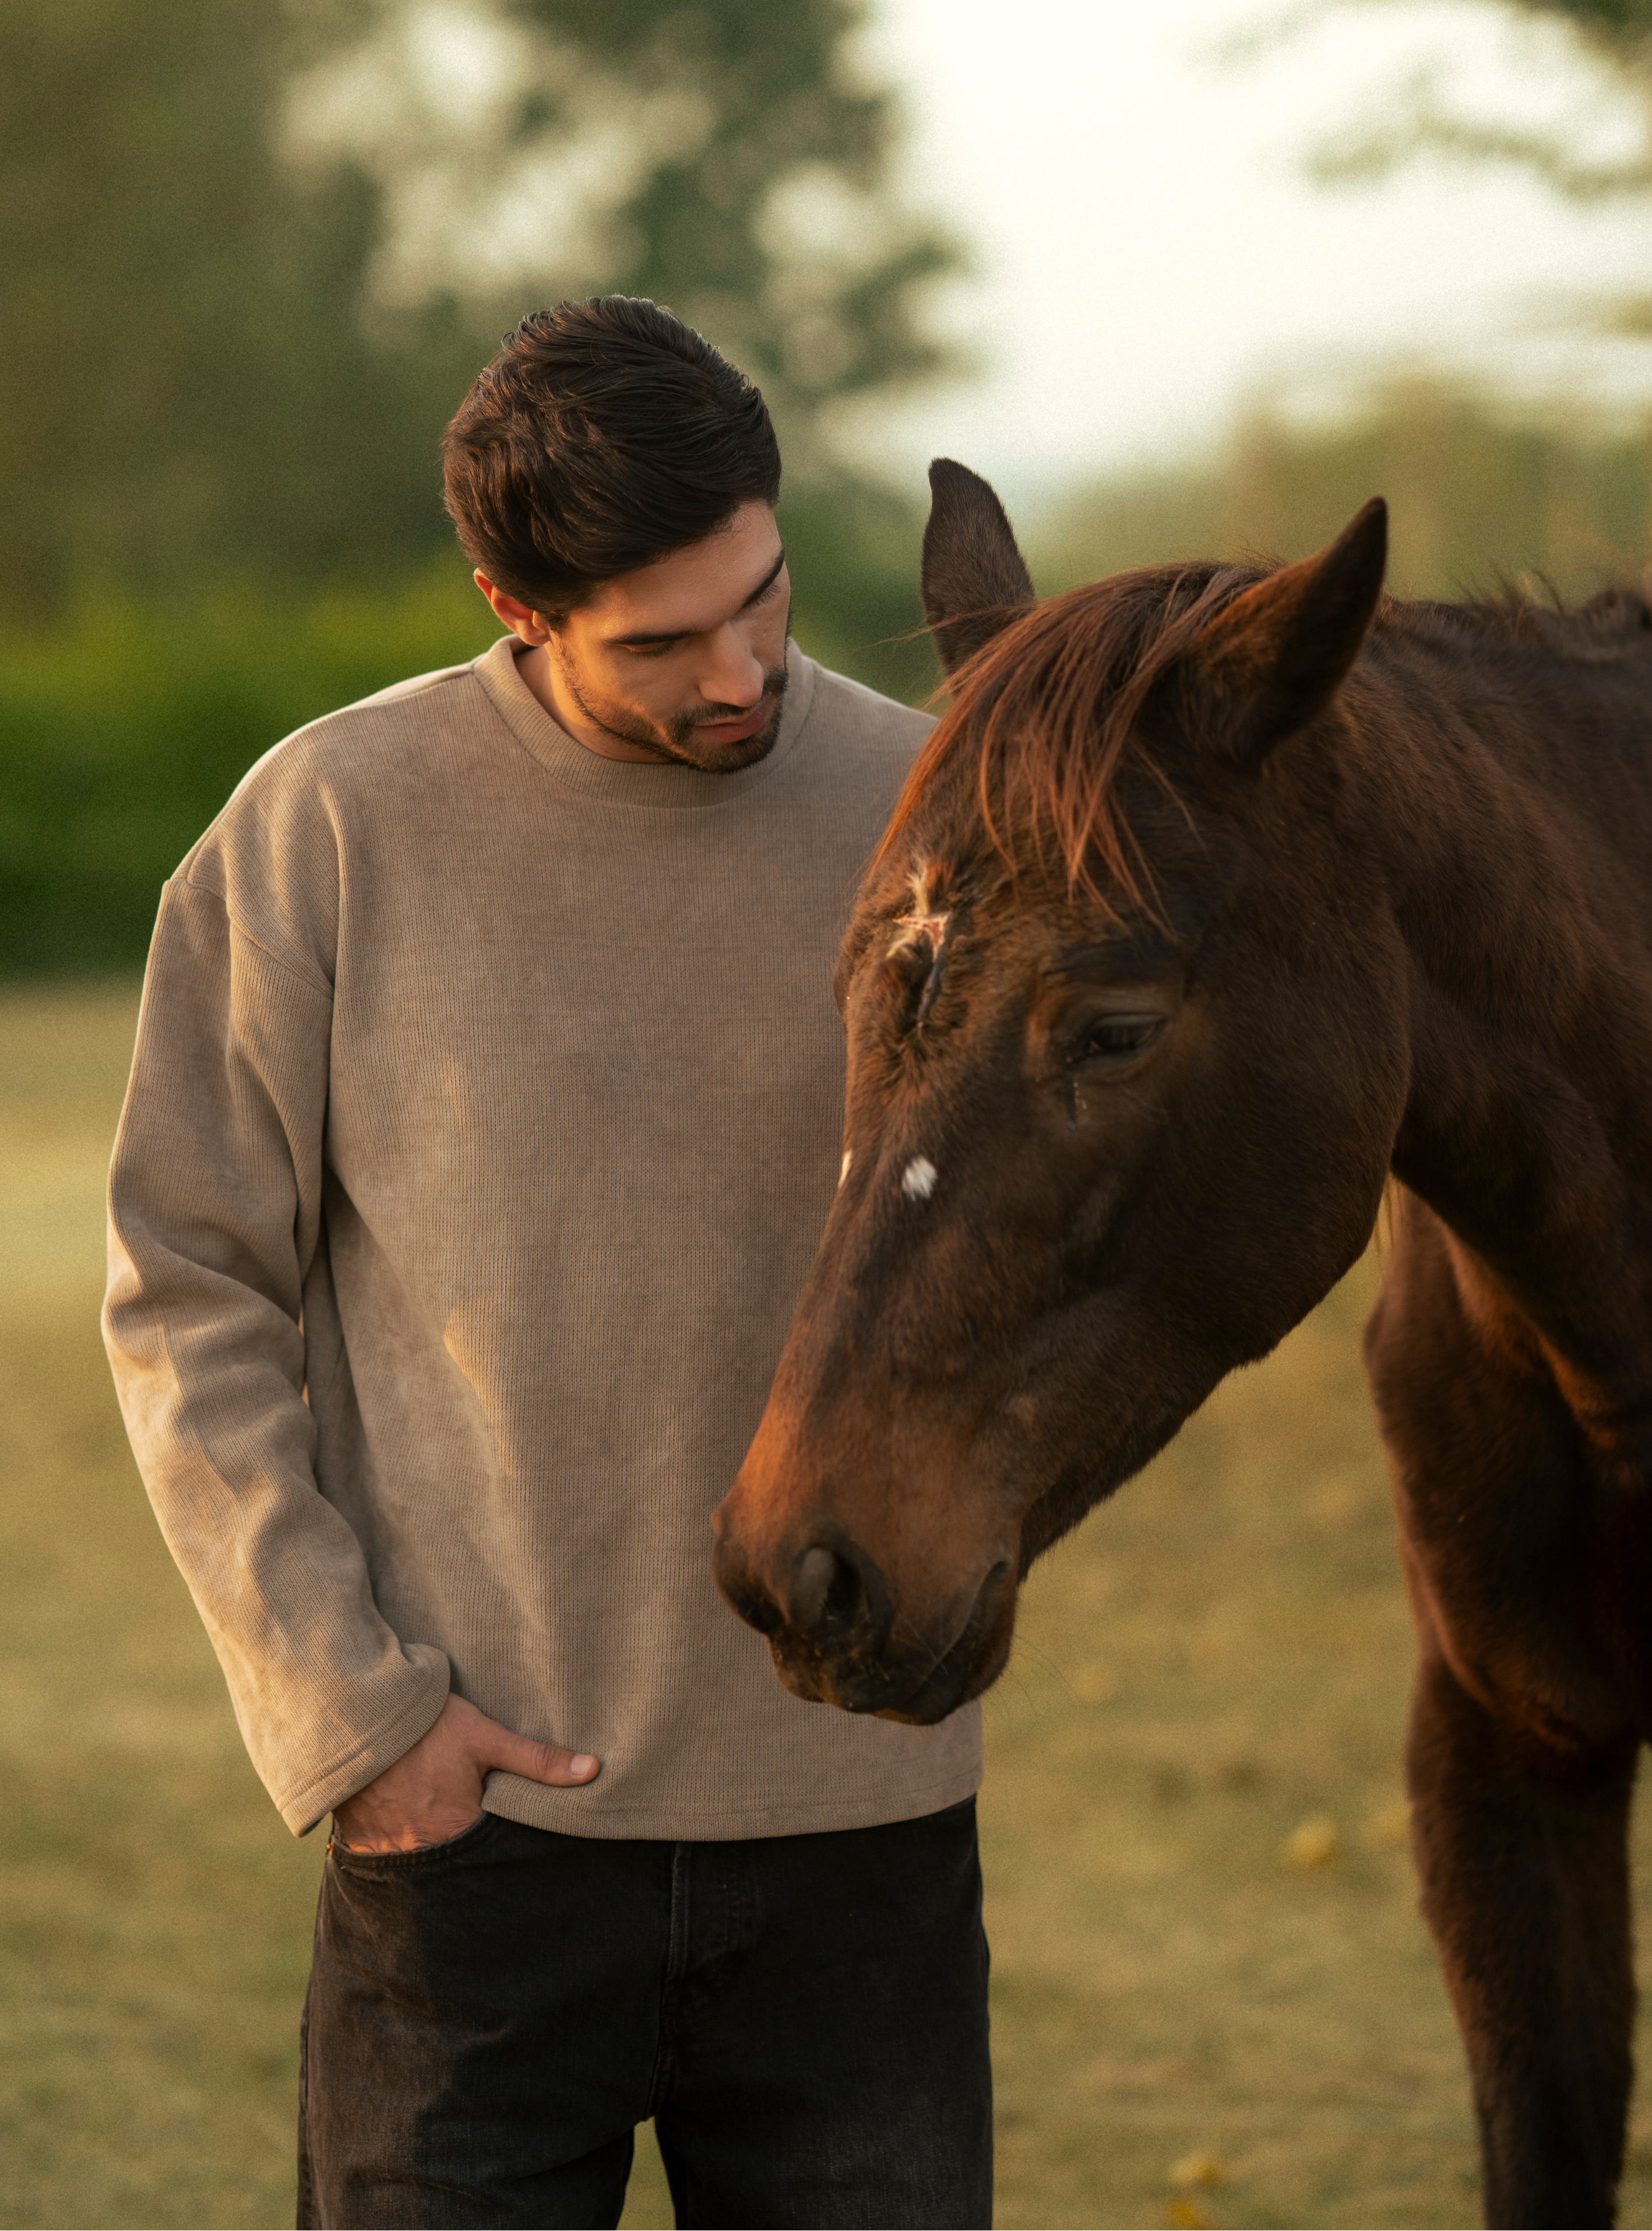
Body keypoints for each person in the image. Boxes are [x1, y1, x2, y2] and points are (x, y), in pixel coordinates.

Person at [103, 296, 991, 2231]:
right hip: (475, 1847)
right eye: (659, 642)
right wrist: (356, 1716)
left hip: (866, 1835)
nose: (742, 670)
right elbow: (188, 1286)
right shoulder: (326, 833)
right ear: (513, 602)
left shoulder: (948, 821)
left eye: (757, 596)